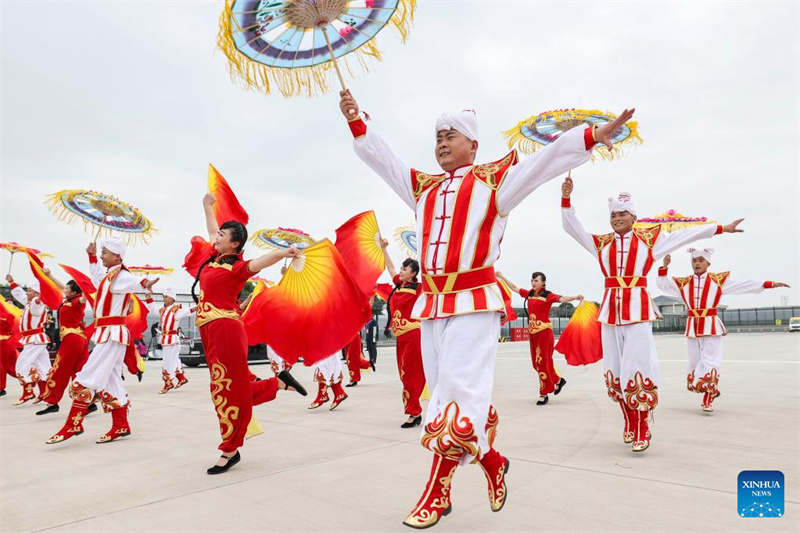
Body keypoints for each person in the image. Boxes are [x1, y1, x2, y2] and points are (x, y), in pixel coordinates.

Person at [339, 88, 634, 527]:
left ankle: (437, 493)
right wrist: (356, 121)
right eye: (437, 135)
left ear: (473, 145)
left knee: (456, 395)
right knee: (441, 397)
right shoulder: (423, 188)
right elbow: (385, 162)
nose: (441, 142)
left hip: (475, 302)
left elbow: (540, 164)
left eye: (451, 134)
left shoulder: (494, 181)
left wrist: (590, 136)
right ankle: (493, 462)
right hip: (433, 307)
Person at [561, 178, 746, 452]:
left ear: (634, 217)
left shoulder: (649, 242)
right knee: (614, 367)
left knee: (637, 367)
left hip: (637, 311)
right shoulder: (601, 244)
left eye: (622, 214)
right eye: (613, 215)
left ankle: (642, 426)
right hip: (611, 312)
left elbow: (684, 236)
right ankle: (627, 418)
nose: (617, 218)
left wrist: (720, 228)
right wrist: (566, 199)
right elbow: (572, 227)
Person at [191, 193, 307, 474]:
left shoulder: (236, 267)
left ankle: (229, 450)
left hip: (226, 329)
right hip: (211, 330)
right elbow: (209, 229)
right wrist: (207, 206)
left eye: (222, 234)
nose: (215, 236)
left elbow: (260, 262)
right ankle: (277, 384)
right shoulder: (214, 259)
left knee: (225, 388)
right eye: (218, 233)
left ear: (235, 243)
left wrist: (284, 252)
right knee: (232, 385)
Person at [46, 238, 157, 445]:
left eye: (105, 252)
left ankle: (74, 423)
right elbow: (96, 276)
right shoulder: (109, 277)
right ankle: (120, 424)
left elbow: (135, 282)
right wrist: (91, 255)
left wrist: (145, 283)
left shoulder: (121, 276)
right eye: (102, 252)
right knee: (112, 381)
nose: (102, 255)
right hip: (108, 333)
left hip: (112, 334)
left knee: (88, 376)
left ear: (117, 256)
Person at [657, 249, 789, 412]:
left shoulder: (717, 281)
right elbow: (664, 285)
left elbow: (742, 285)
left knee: (711, 360)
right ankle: (710, 388)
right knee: (695, 360)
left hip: (711, 324)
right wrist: (664, 266)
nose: (697, 263)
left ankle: (708, 397)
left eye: (700, 260)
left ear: (708, 263)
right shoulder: (684, 283)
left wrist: (768, 284)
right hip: (693, 326)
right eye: (694, 261)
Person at [496, 271, 582, 405]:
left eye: (536, 281)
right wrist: (501, 276)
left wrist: (575, 297)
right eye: (532, 280)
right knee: (536, 363)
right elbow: (514, 288)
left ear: (543, 282)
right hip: (533, 333)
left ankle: (544, 393)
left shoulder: (547, 295)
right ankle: (558, 381)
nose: (533, 283)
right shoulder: (530, 294)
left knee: (542, 361)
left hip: (544, 332)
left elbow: (562, 299)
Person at [380, 238, 426, 428]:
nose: (401, 271)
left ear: (414, 273)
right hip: (402, 337)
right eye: (402, 268)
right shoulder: (400, 285)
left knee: (410, 375)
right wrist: (384, 249)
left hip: (414, 335)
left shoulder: (419, 288)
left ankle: (414, 413)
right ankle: (414, 411)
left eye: (405, 269)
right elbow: (390, 268)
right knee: (404, 374)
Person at [35, 270, 93, 416]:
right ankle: (87, 403)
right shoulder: (69, 300)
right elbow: (62, 287)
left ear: (74, 292)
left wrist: (88, 284)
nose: (64, 289)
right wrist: (50, 275)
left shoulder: (76, 302)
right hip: (79, 339)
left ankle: (52, 401)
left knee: (60, 368)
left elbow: (84, 298)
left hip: (72, 339)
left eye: (67, 288)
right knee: (79, 371)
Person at [6, 276, 51, 405]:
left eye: (30, 290)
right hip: (35, 339)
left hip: (34, 339)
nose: (27, 292)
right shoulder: (29, 302)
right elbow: (20, 294)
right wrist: (12, 282)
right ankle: (44, 392)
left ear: (37, 293)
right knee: (43, 366)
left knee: (21, 364)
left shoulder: (37, 303)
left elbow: (39, 301)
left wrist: (43, 286)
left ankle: (29, 392)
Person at [144, 288, 195, 394]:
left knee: (167, 361)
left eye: (166, 296)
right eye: (164, 296)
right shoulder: (163, 310)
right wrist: (149, 298)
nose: (164, 298)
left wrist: (200, 304)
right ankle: (181, 378)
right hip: (167, 339)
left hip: (171, 340)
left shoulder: (176, 310)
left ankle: (168, 383)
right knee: (174, 360)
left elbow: (189, 311)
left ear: (172, 299)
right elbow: (153, 309)